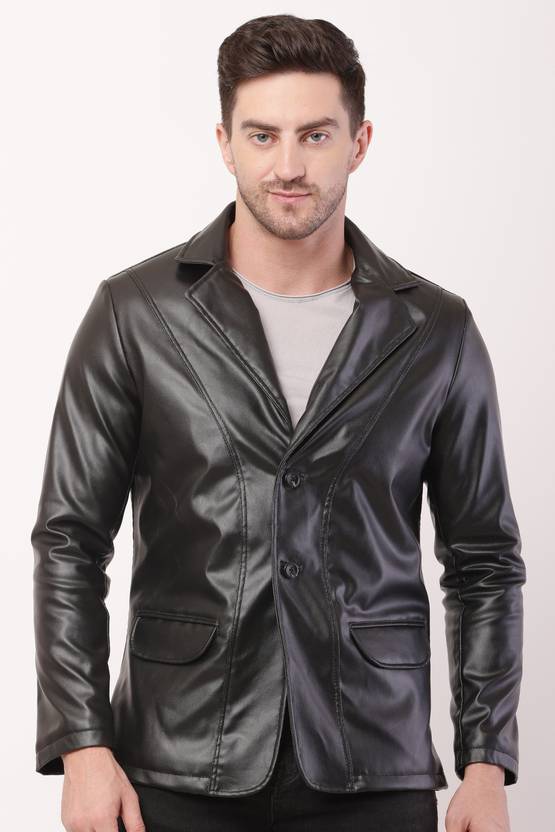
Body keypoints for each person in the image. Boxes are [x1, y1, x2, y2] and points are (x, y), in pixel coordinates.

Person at [31, 13, 526, 832]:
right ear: (224, 144)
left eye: (315, 135)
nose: (288, 166)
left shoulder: (435, 330)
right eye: (261, 135)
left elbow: (483, 560)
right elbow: (69, 541)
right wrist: (83, 746)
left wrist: (485, 763)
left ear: (358, 143)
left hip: (372, 759)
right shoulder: (136, 313)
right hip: (177, 753)